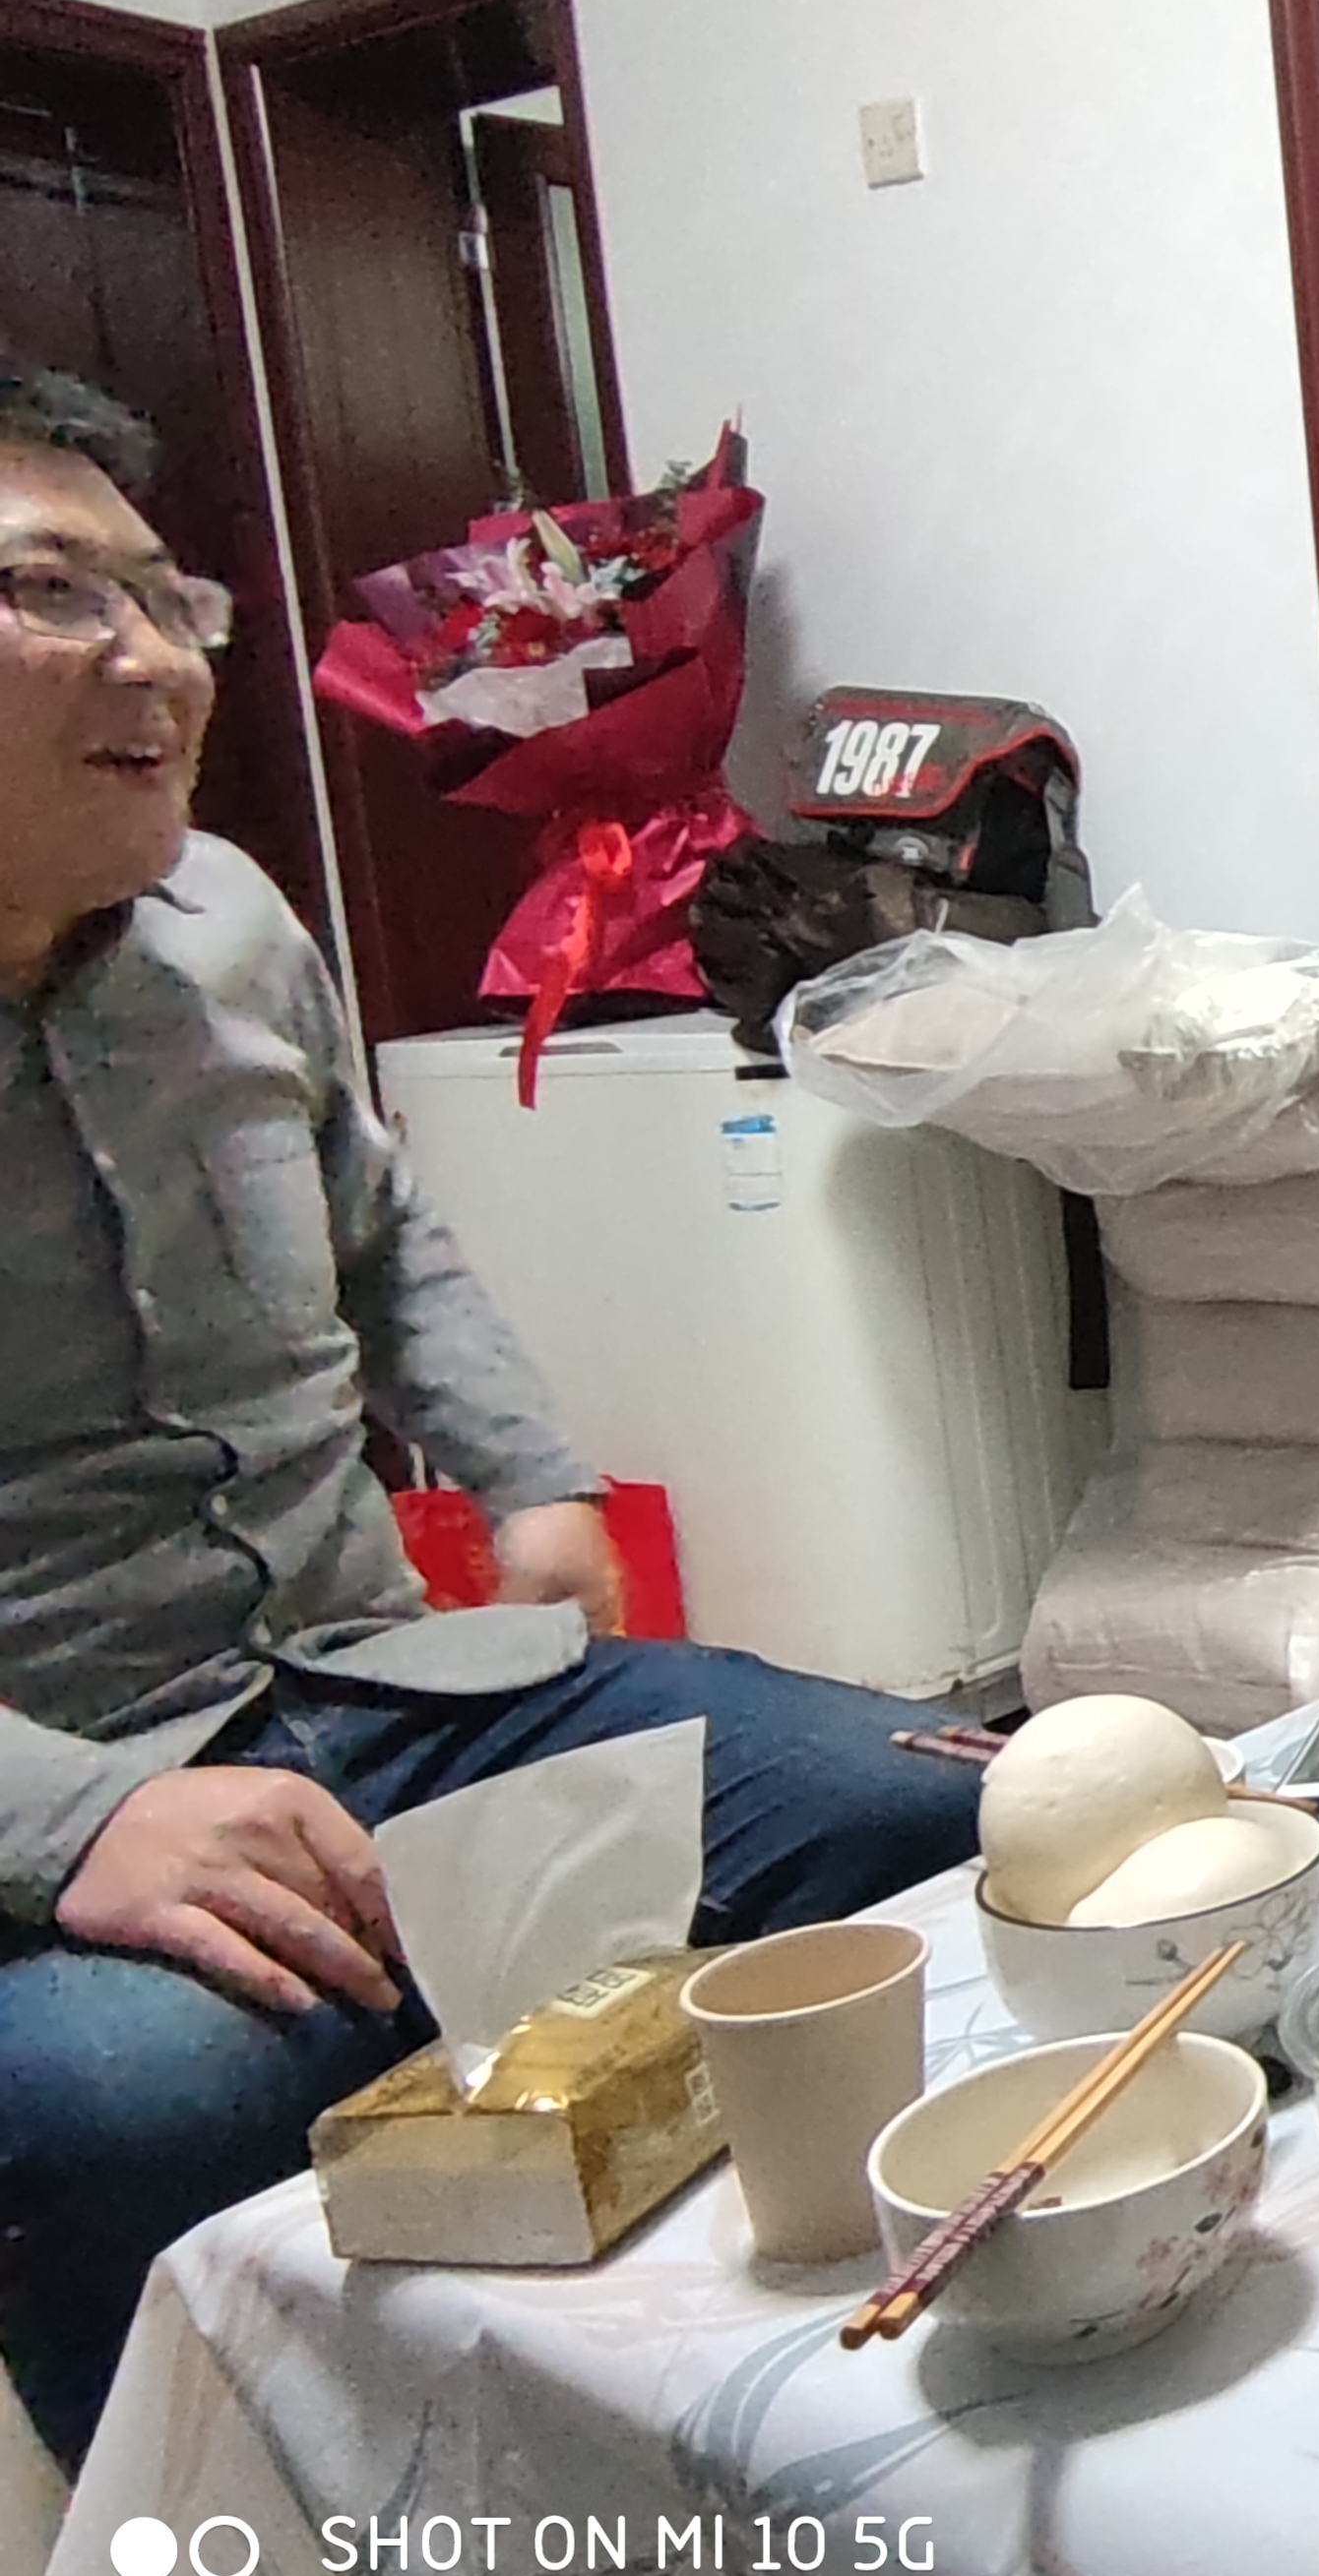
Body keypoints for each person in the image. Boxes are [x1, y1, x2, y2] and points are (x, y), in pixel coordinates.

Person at [0, 365, 977, 2464]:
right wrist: (74, 1825)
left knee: (913, 1802)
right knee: (131, 2101)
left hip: (377, 1686)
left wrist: (534, 1482)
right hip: (61, 1785)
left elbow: (387, 1238)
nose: (153, 657)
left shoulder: (230, 926)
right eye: (53, 591)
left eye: (168, 597)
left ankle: (738, 2419)